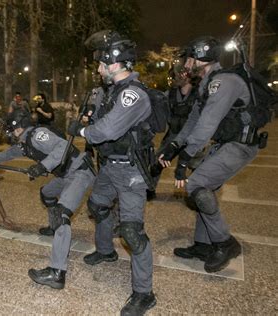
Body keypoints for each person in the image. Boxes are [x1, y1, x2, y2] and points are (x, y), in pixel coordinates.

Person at [68, 30, 156, 315]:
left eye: (100, 64)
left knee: (131, 232)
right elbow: (104, 123)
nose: (97, 69)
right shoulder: (112, 92)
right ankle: (106, 251)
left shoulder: (132, 93)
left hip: (131, 172)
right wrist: (90, 119)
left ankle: (144, 294)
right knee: (97, 206)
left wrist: (81, 130)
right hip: (109, 166)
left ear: (115, 63)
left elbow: (106, 130)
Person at [158, 36, 256, 274]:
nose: (185, 64)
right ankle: (203, 245)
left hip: (240, 145)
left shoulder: (224, 82)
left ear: (201, 58)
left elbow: (207, 124)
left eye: (188, 58)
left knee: (197, 185)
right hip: (224, 144)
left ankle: (225, 243)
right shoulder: (207, 83)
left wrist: (184, 159)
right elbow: (194, 120)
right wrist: (175, 145)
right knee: (204, 189)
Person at [0, 109, 95, 289]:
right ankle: (52, 227)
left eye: (10, 129)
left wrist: (42, 167)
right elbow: (9, 154)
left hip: (79, 172)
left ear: (18, 128)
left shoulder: (37, 135)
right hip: (65, 175)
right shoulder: (24, 142)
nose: (8, 133)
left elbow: (62, 146)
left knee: (61, 214)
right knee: (47, 193)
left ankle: (57, 272)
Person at [147, 60, 199, 201]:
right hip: (174, 135)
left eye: (178, 74)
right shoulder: (170, 94)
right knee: (157, 162)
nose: (176, 78)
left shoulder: (199, 94)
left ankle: (197, 195)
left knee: (198, 166)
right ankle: (149, 189)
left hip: (194, 137)